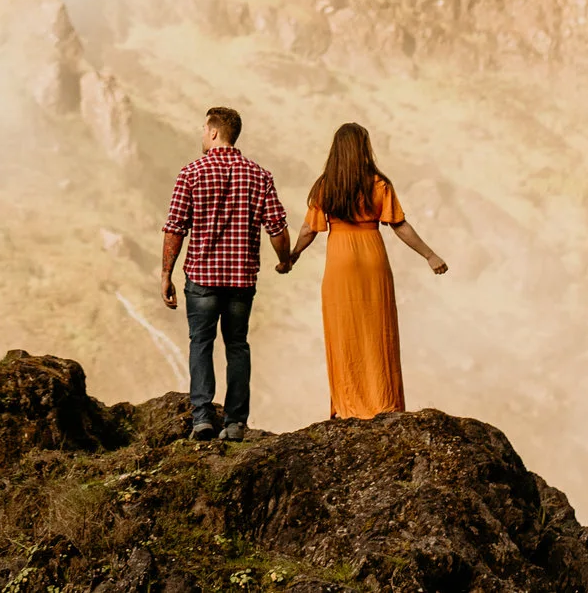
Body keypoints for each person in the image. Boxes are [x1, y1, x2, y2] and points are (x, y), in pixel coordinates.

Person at [277, 121, 447, 419]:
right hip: (372, 255)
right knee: (376, 329)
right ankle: (382, 401)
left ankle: (347, 403)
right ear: (364, 148)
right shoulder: (378, 183)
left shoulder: (326, 184)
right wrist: (430, 255)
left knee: (344, 331)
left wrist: (292, 257)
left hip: (339, 259)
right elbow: (399, 225)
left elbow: (308, 229)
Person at [160, 105, 292, 443]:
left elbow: (176, 228)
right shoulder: (259, 175)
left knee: (200, 344)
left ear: (215, 132)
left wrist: (166, 274)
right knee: (237, 346)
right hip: (240, 281)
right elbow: (277, 227)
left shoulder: (191, 172)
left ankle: (203, 419)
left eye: (204, 130)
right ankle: (234, 423)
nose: (202, 136)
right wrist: (284, 260)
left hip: (202, 280)